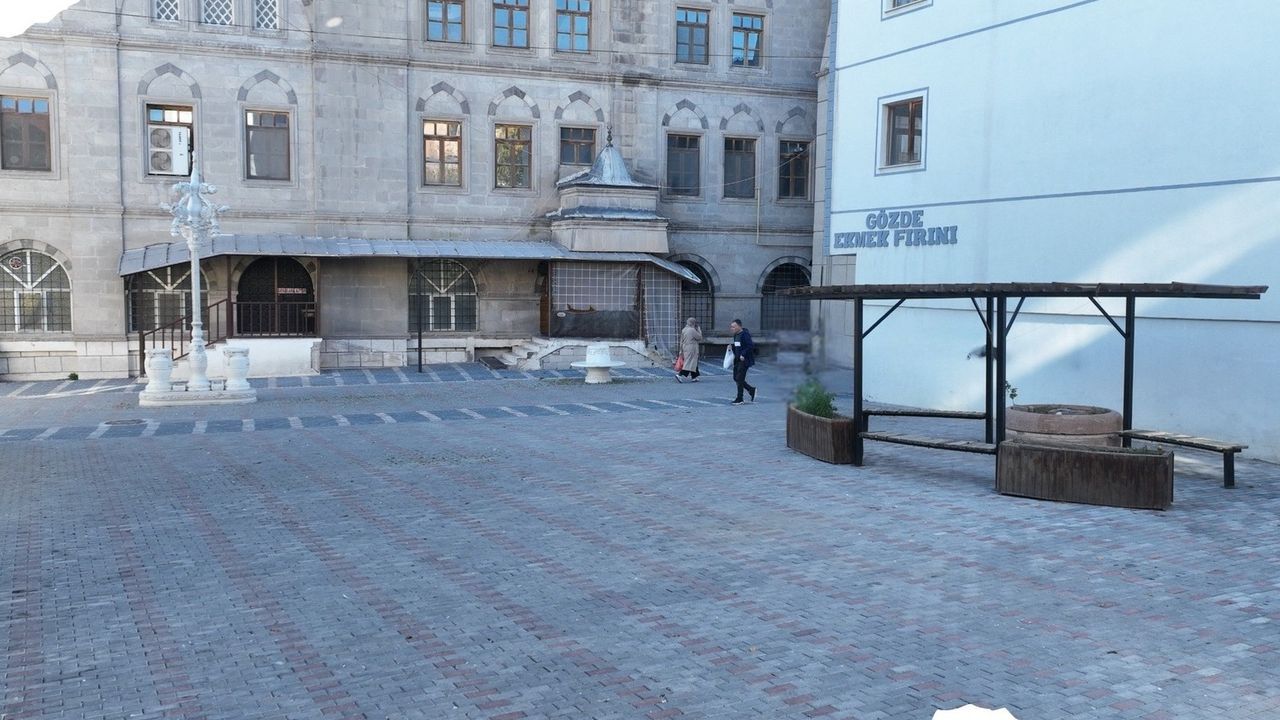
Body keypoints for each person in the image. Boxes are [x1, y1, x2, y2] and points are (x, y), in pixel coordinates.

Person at [729, 319, 755, 405]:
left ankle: (740, 398)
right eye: (731, 327)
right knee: (735, 378)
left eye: (734, 327)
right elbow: (737, 346)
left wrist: (743, 354)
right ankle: (751, 389)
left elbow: (750, 346)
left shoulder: (745, 334)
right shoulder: (735, 335)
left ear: (739, 326)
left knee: (739, 379)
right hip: (737, 359)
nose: (732, 328)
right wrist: (731, 347)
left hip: (744, 360)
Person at [676, 317, 702, 382]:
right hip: (692, 348)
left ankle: (694, 376)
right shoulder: (692, 330)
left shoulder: (684, 329)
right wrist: (699, 330)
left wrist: (681, 350)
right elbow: (699, 337)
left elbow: (681, 341)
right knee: (689, 363)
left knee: (693, 362)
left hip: (685, 347)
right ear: (693, 323)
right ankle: (680, 375)